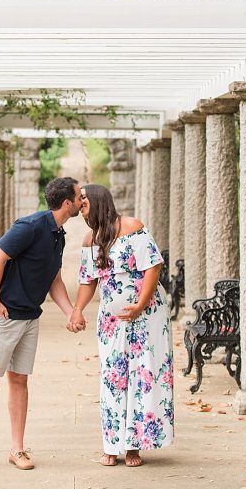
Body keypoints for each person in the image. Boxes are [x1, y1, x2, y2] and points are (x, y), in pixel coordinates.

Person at [0, 176, 82, 473]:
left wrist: (70, 311)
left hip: (30, 316)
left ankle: (17, 449)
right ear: (67, 203)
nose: (83, 200)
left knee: (19, 380)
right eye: (80, 196)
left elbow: (53, 278)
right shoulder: (30, 226)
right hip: (4, 315)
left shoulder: (59, 234)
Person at [68, 183, 175, 467]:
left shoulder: (131, 227)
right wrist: (77, 310)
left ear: (99, 200)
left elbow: (153, 265)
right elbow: (87, 280)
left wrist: (140, 304)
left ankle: (133, 448)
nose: (81, 206)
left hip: (147, 316)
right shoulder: (90, 240)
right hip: (111, 321)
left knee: (142, 377)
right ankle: (110, 445)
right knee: (113, 377)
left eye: (84, 201)